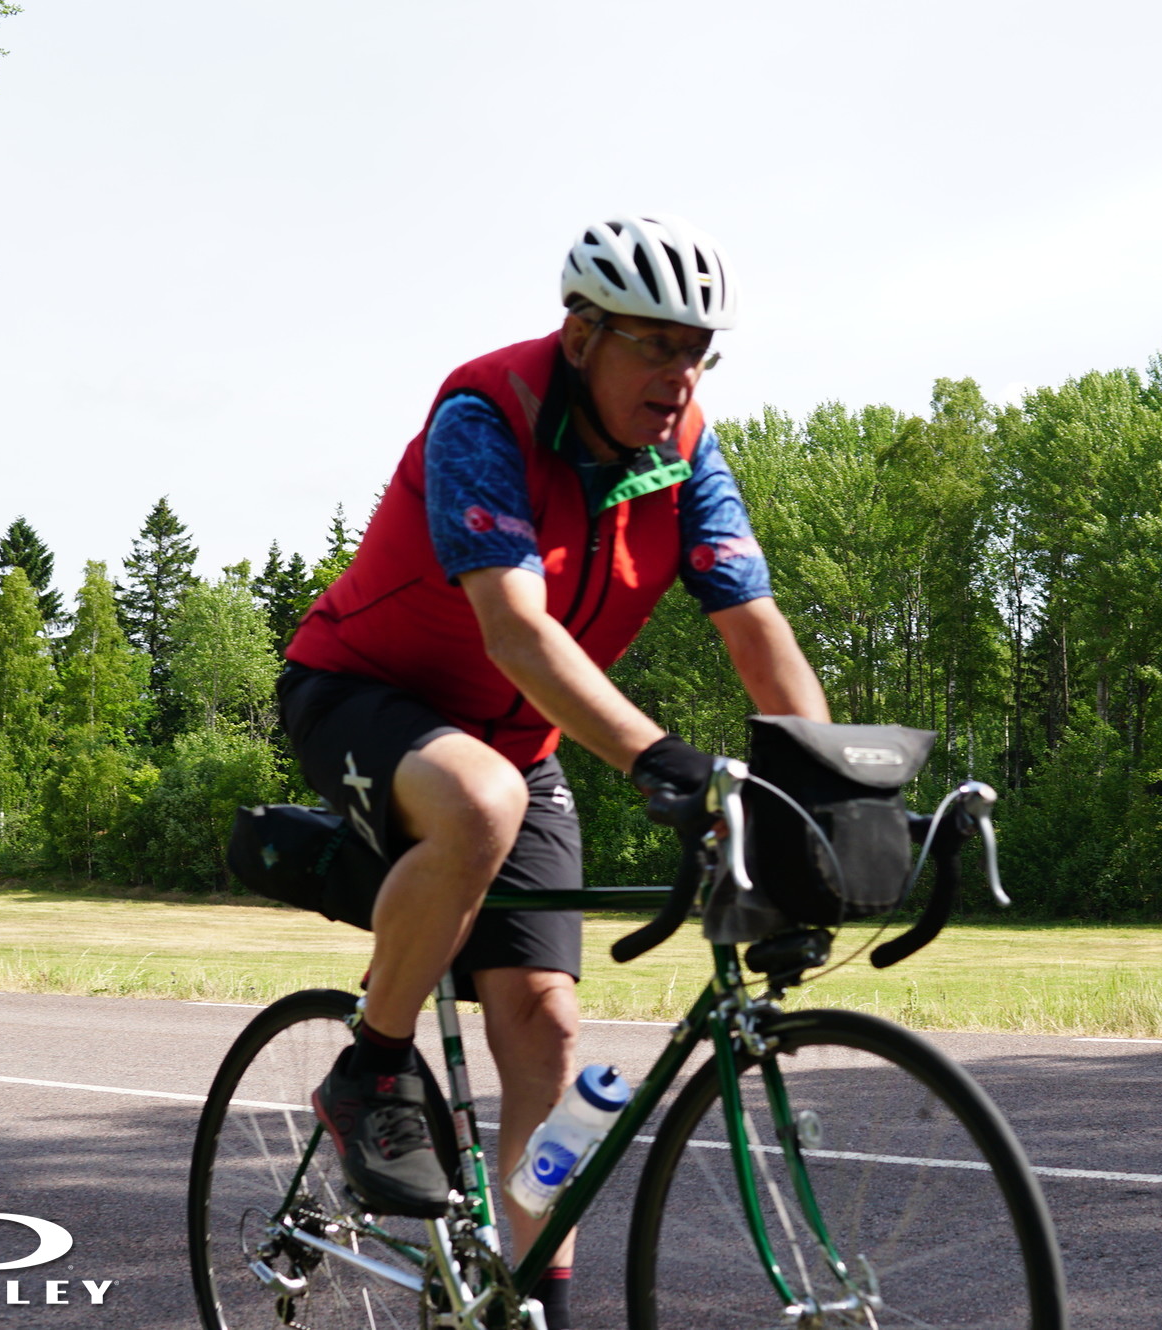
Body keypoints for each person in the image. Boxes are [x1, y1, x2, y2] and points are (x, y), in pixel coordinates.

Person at [277, 214, 830, 1329]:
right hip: (361, 694)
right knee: (479, 800)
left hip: (519, 742)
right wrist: (657, 758)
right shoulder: (487, 418)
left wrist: (821, 793)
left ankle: (533, 1308)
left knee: (548, 1039)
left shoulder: (685, 455)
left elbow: (755, 628)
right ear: (581, 337)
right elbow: (515, 631)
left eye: (698, 352)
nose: (679, 376)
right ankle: (371, 1066)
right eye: (654, 346)